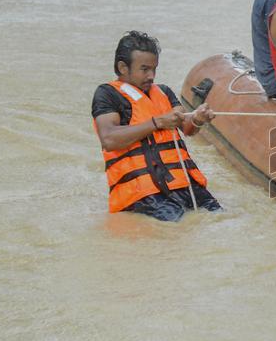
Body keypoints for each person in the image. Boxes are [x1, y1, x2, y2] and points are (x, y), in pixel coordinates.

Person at [92, 31, 221, 222]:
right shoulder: (107, 94)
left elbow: (187, 128)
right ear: (123, 67)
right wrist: (157, 122)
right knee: (176, 229)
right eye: (144, 69)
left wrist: (198, 119)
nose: (151, 76)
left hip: (186, 185)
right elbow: (109, 139)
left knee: (221, 217)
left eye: (154, 69)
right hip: (144, 194)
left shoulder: (164, 92)